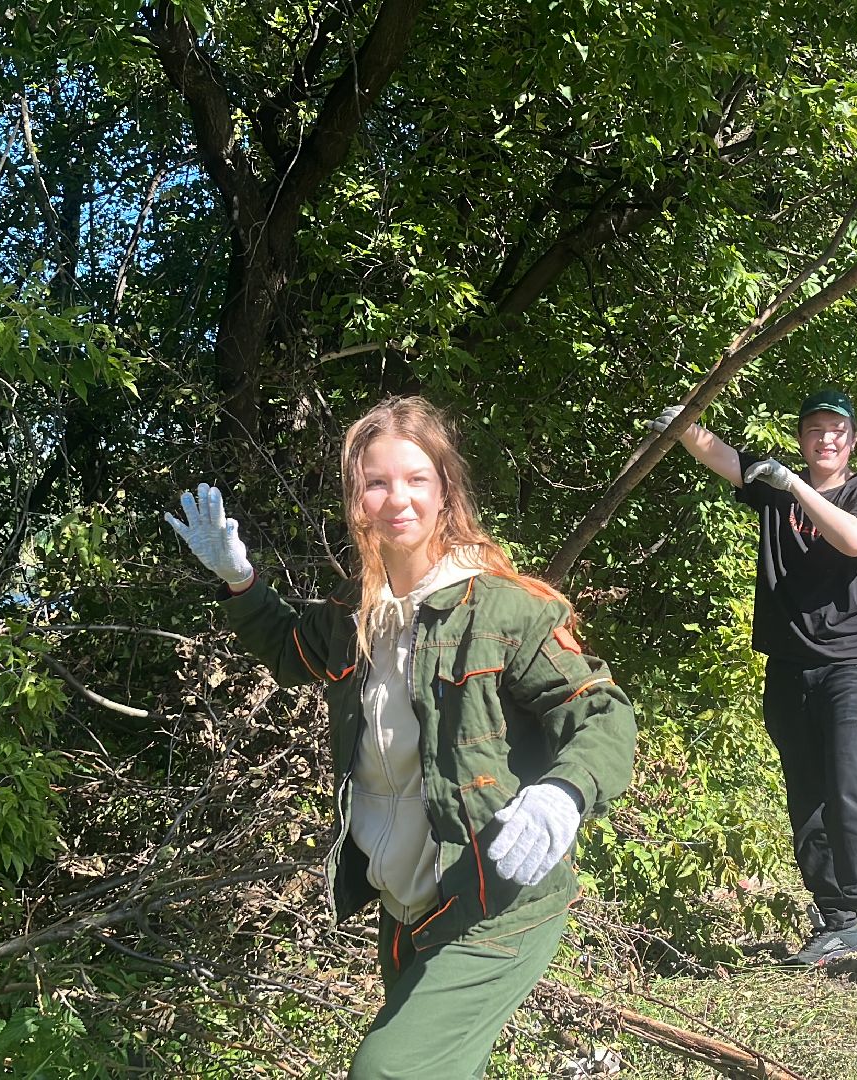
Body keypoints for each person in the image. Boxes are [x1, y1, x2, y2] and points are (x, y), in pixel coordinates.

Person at [166, 396, 637, 1075]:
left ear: (446, 489)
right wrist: (239, 580)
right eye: (377, 482)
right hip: (407, 911)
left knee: (385, 1072)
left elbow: (600, 711)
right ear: (357, 500)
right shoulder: (360, 617)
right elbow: (290, 649)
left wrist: (564, 793)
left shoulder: (504, 608)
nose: (399, 499)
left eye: (417, 479)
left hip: (493, 905)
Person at [646, 388, 857, 983]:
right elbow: (728, 458)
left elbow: (856, 541)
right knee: (807, 793)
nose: (826, 439)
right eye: (815, 429)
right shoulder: (777, 487)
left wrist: (794, 487)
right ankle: (837, 917)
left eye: (837, 431)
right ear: (802, 437)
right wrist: (686, 427)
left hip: (853, 662)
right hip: (790, 662)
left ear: (852, 441)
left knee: (850, 786)